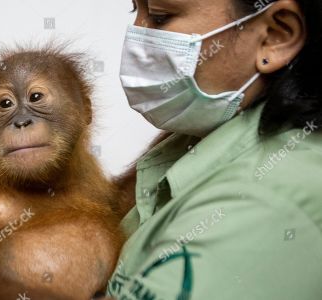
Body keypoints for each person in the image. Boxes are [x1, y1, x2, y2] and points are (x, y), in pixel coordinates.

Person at [105, 0, 322, 299]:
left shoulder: (265, 203)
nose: (136, 37)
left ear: (275, 35)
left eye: (159, 17)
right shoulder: (198, 141)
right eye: (135, 10)